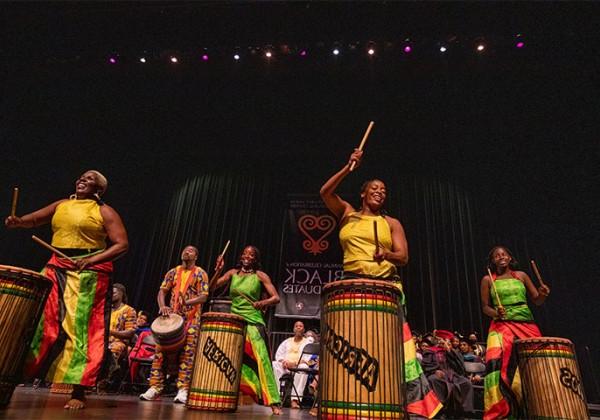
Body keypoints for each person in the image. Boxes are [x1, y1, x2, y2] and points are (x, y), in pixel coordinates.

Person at [320, 150, 442, 418]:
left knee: (392, 348)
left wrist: (385, 254)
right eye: (374, 188)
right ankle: (347, 398)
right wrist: (348, 168)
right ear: (363, 193)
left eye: (384, 190)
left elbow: (404, 256)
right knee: (351, 345)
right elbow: (325, 193)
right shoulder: (347, 214)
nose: (380, 192)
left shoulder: (391, 222)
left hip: (384, 285)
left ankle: (403, 403)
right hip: (351, 283)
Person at [5, 170, 128, 409]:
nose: (83, 179)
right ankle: (16, 374)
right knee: (40, 322)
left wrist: (91, 260)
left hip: (89, 273)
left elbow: (122, 244)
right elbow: (34, 220)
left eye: (90, 179)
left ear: (99, 190)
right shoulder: (62, 204)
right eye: (82, 177)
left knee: (81, 330)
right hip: (55, 267)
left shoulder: (104, 211)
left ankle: (79, 390)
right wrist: (19, 222)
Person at [480, 245, 550, 420]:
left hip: (526, 323)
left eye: (504, 254)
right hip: (501, 325)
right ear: (493, 261)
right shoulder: (488, 280)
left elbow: (537, 301)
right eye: (497, 256)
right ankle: (502, 412)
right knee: (499, 366)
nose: (501, 257)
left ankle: (536, 407)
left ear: (510, 258)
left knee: (535, 364)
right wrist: (497, 313)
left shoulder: (522, 276)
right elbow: (485, 307)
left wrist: (543, 295)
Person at [213, 245, 282, 415]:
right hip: (236, 323)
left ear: (255, 259)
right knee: (231, 361)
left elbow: (276, 298)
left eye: (251, 255)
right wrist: (217, 270)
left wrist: (262, 303)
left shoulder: (260, 276)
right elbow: (210, 288)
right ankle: (227, 396)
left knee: (262, 361)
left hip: (254, 323)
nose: (247, 256)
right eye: (245, 253)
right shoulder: (232, 273)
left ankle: (274, 402)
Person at [139, 245, 209, 404]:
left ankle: (183, 389)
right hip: (171, 318)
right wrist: (162, 306)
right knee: (160, 352)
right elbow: (162, 291)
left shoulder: (200, 273)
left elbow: (204, 296)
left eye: (191, 251)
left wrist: (188, 302)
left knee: (187, 354)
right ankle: (155, 387)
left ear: (196, 257)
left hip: (191, 320)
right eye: (185, 250)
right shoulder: (172, 272)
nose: (186, 252)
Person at [421, 330, 474, 417]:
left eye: (446, 341)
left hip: (452, 375)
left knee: (466, 382)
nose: (443, 342)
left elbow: (460, 366)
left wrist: (449, 351)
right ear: (437, 340)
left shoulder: (451, 351)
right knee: (433, 379)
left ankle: (463, 411)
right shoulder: (430, 351)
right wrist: (434, 371)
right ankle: (439, 410)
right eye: (442, 340)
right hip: (438, 375)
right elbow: (426, 365)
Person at [98, 283, 137, 392]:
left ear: (122, 294)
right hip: (102, 341)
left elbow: (130, 333)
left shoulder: (129, 310)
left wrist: (110, 332)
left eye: (114, 292)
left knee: (113, 349)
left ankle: (104, 382)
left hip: (120, 343)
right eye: (110, 292)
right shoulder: (106, 309)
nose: (111, 294)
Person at [272, 321, 311, 408]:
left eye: (300, 326)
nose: (298, 327)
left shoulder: (307, 343)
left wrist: (293, 364)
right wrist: (284, 362)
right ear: (293, 329)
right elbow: (278, 355)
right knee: (274, 364)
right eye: (296, 326)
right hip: (285, 366)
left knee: (304, 367)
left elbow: (307, 359)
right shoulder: (287, 341)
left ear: (303, 329)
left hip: (297, 367)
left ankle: (295, 400)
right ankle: (275, 397)